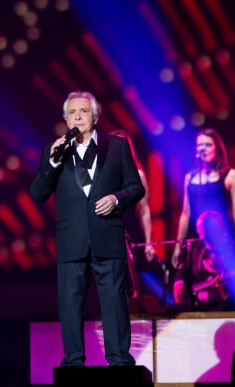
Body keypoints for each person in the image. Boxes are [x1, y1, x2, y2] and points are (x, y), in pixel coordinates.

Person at [29, 91, 145, 367]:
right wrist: (55, 161)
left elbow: (136, 187)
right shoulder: (53, 150)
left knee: (114, 302)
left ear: (95, 116)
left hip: (107, 234)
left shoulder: (117, 146)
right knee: (70, 303)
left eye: (83, 111)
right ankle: (74, 360)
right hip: (72, 239)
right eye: (72, 113)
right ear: (65, 119)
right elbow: (37, 193)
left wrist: (116, 199)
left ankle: (118, 359)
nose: (78, 117)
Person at [170, 128, 235, 273]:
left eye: (208, 145)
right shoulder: (190, 177)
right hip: (196, 240)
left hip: (222, 239)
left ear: (217, 148)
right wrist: (178, 245)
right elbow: (185, 213)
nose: (203, 149)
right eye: (200, 145)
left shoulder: (230, 175)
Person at [110, 129, 168, 308]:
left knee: (133, 277)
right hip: (110, 229)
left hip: (131, 230)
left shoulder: (138, 175)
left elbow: (144, 210)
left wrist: (150, 243)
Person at [172, 210, 235, 311]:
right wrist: (179, 283)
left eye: (208, 234)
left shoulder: (233, 251)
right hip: (197, 302)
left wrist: (225, 288)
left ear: (220, 231)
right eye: (201, 234)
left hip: (221, 303)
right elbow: (183, 269)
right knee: (170, 311)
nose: (204, 239)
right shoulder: (196, 246)